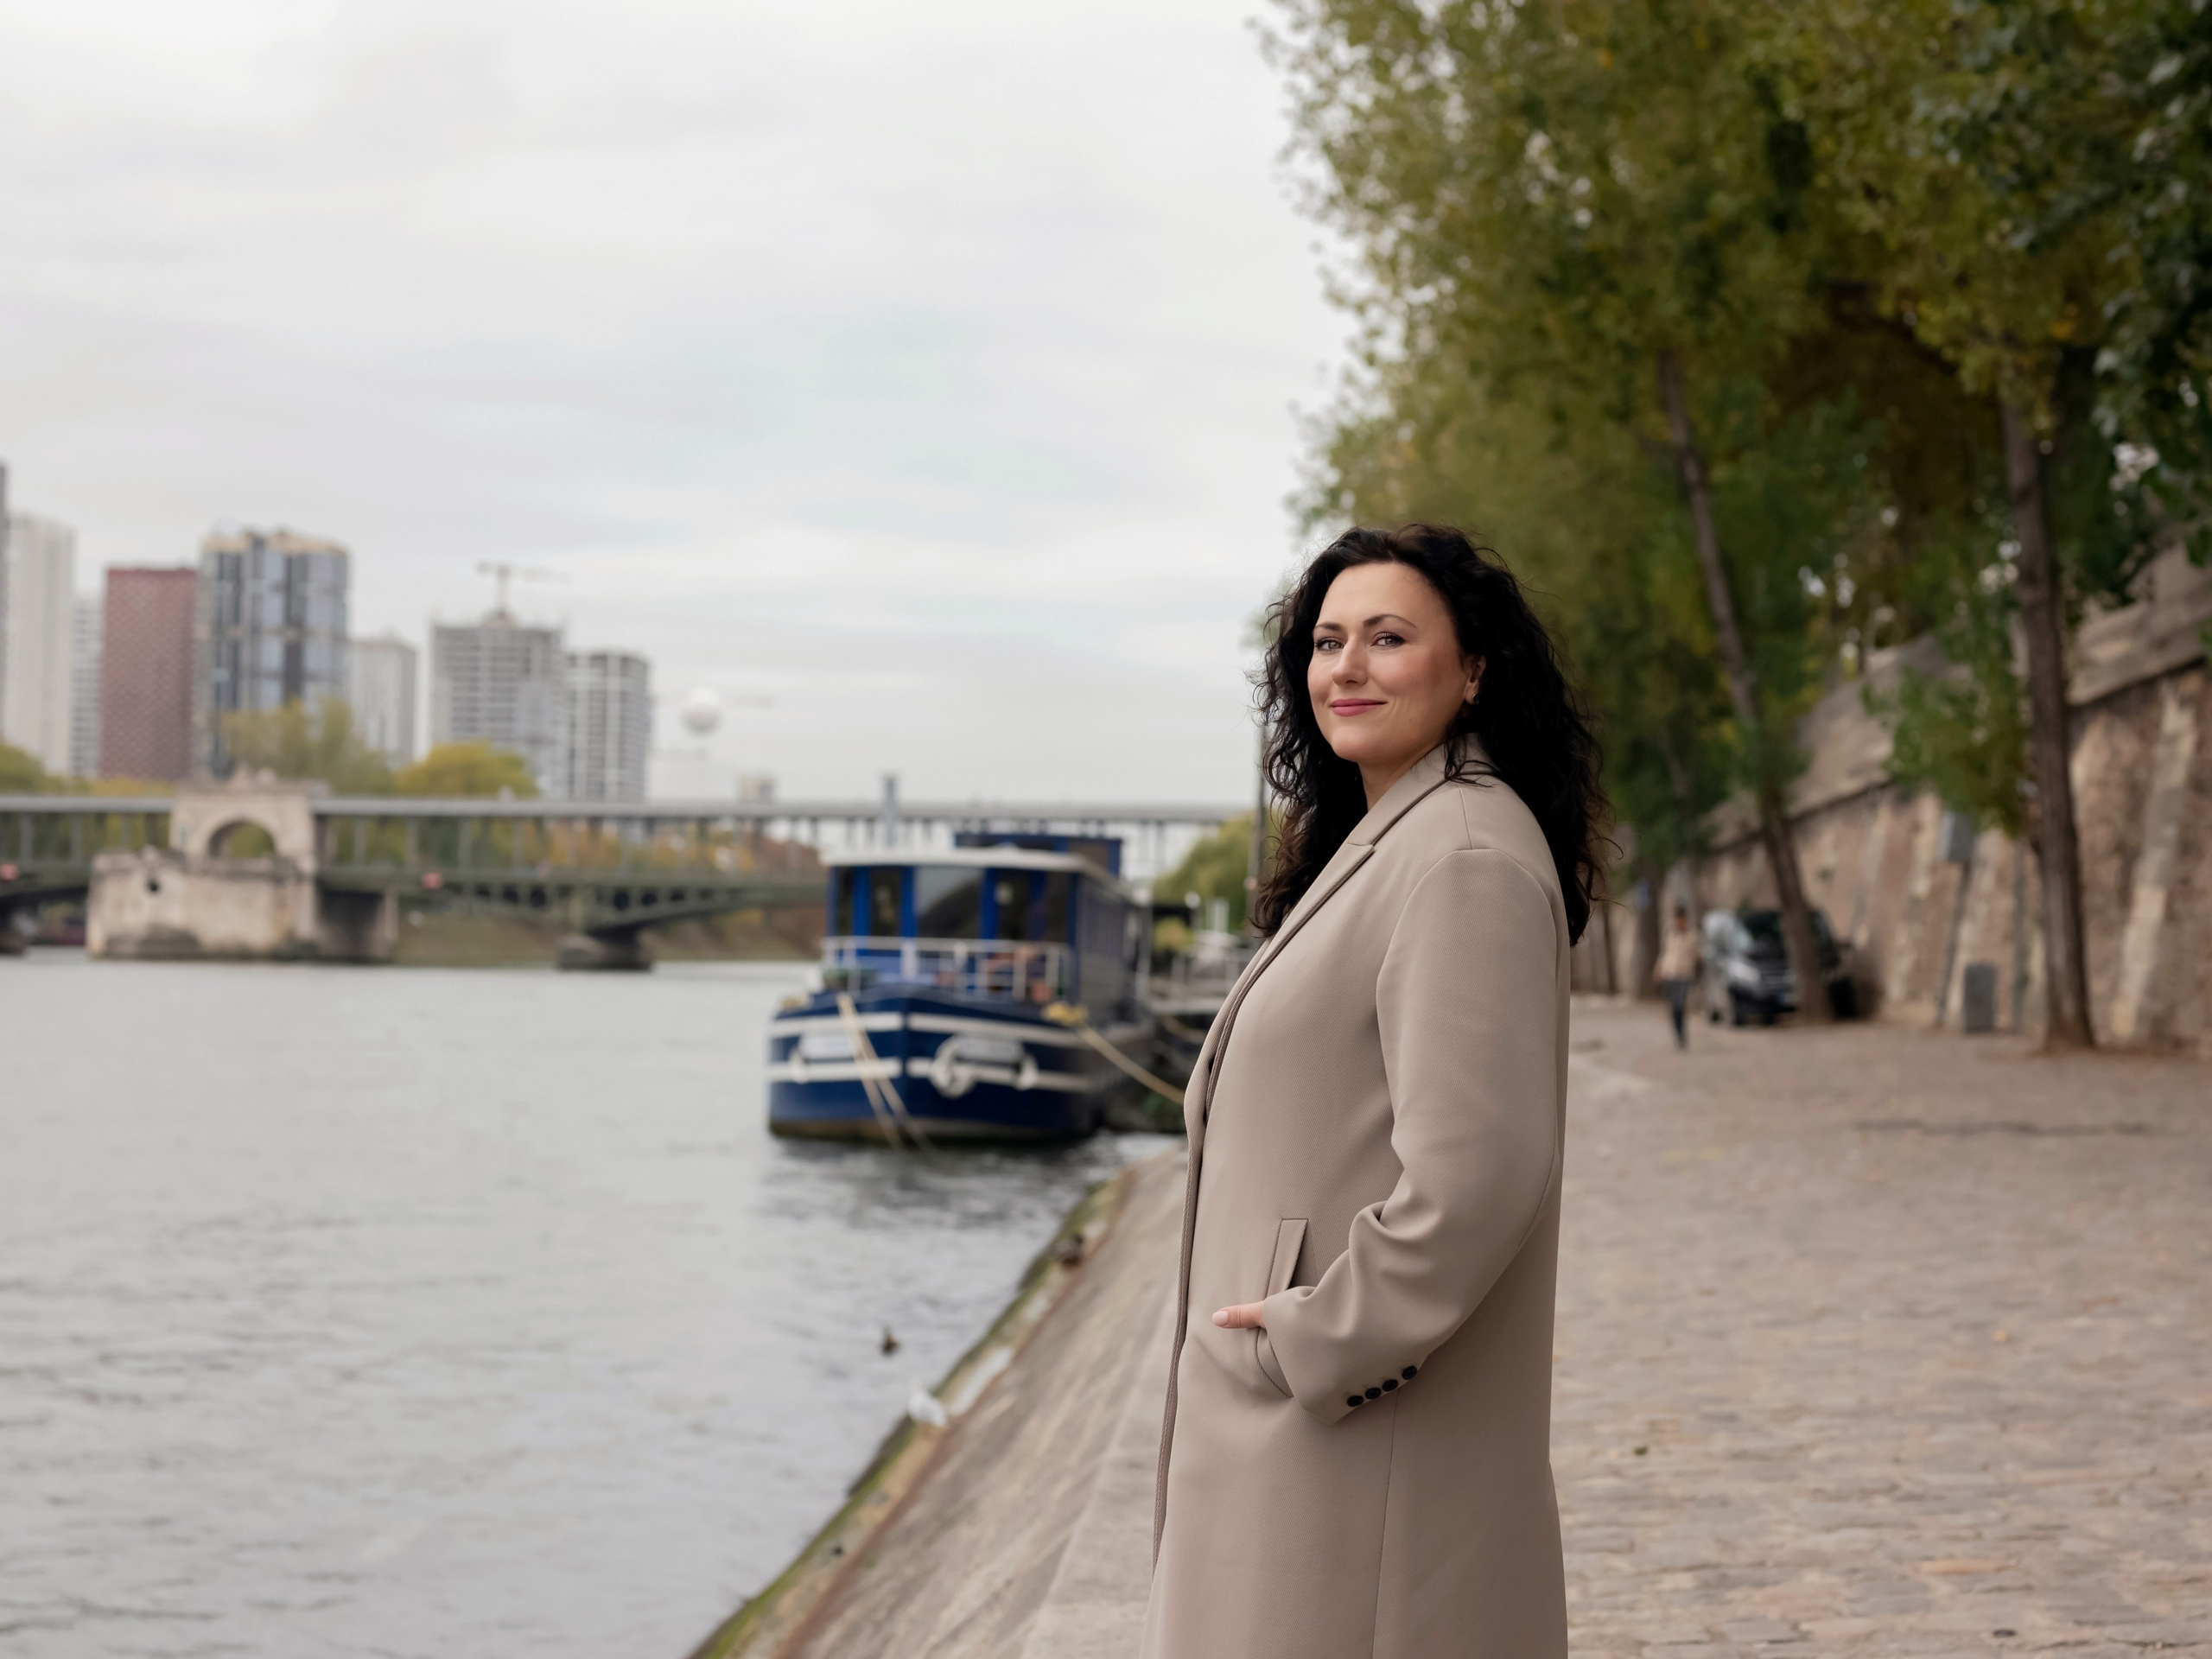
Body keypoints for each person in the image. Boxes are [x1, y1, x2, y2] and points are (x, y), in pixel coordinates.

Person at [1141, 524, 1605, 1659]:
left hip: (1345, 1442)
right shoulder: (1399, 835)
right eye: (1328, 640)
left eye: (1388, 638)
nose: (1346, 667)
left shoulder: (1459, 857)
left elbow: (1480, 1174)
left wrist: (1317, 1338)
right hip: (1311, 1446)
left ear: (1474, 668)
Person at [1656, 904, 1700, 1049]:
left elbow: (1699, 956)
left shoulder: (1692, 936)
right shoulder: (1671, 935)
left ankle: (1682, 1034)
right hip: (1670, 974)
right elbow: (1665, 954)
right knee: (1673, 1007)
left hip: (1684, 975)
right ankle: (1678, 1035)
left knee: (1680, 1005)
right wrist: (1659, 970)